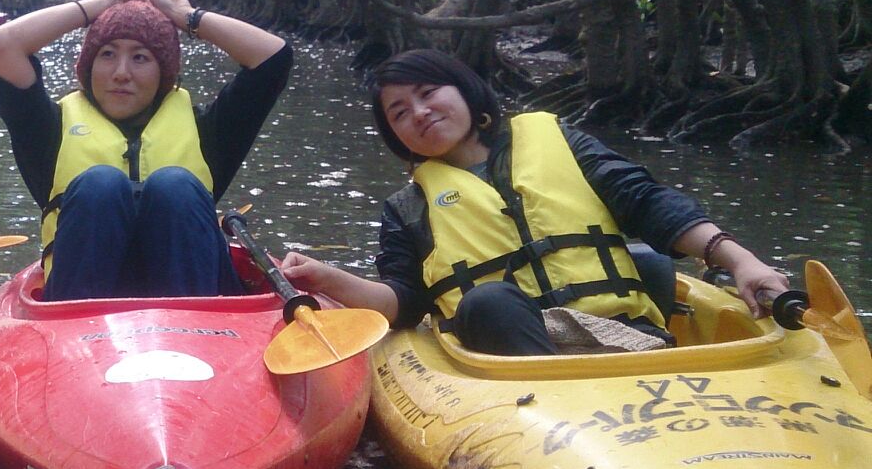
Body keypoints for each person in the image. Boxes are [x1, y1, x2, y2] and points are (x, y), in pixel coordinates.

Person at [274, 47, 788, 356]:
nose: (421, 112)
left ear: (466, 92)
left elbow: (646, 203)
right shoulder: (407, 208)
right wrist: (327, 279)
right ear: (396, 137)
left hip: (623, 337)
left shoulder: (558, 139)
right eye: (400, 112)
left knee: (648, 262)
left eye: (430, 92)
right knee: (487, 299)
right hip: (514, 351)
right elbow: (405, 305)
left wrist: (740, 260)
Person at [0, 0, 291, 301]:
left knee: (174, 184)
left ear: (165, 74)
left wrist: (187, 17)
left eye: (140, 58)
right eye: (107, 54)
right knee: (100, 183)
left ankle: (191, 326)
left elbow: (274, 57)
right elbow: (4, 44)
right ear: (87, 68)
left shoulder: (208, 132)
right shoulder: (48, 130)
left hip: (200, 316)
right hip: (76, 317)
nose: (121, 72)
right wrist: (96, 7)